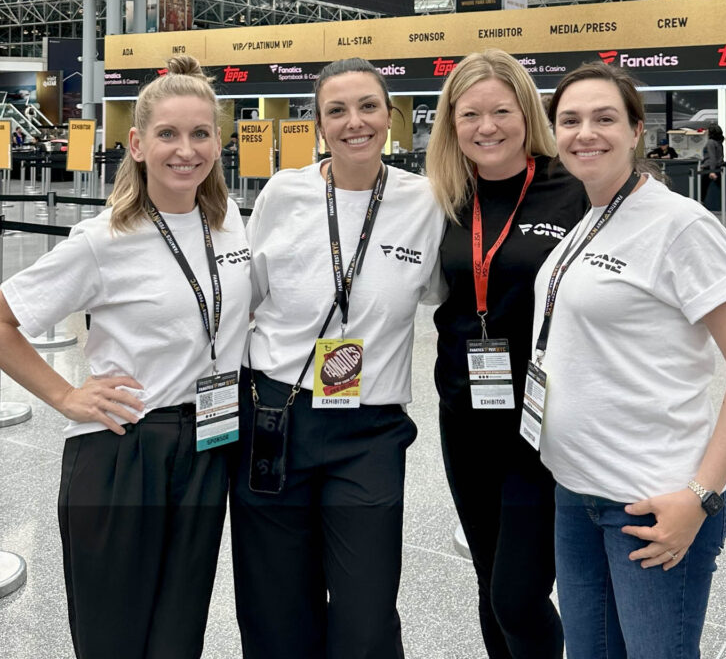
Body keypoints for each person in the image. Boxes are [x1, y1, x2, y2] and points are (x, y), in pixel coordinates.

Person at [0, 56, 253, 659]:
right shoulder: (103, 238)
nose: (184, 150)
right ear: (137, 144)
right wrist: (65, 395)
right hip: (123, 447)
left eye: (199, 133)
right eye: (167, 134)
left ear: (218, 142)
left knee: (178, 633)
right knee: (115, 636)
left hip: (208, 447)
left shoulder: (229, 223)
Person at [532, 61, 726, 659]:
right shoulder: (589, 218)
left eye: (605, 118)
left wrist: (700, 496)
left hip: (652, 504)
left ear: (636, 131)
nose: (586, 132)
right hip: (577, 493)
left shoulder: (679, 224)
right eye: (571, 120)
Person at [230, 56, 446, 659]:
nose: (355, 122)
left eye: (368, 106)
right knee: (275, 605)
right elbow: (248, 298)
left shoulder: (425, 201)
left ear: (391, 116)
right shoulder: (284, 193)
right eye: (337, 111)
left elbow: (449, 294)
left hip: (369, 431)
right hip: (276, 415)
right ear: (319, 125)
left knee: (366, 612)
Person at [425, 50, 588, 659]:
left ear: (528, 113)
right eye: (470, 114)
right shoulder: (444, 195)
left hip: (542, 420)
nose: (486, 126)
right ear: (452, 122)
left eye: (501, 110)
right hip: (463, 417)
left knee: (519, 593)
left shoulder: (570, 187)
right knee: (490, 583)